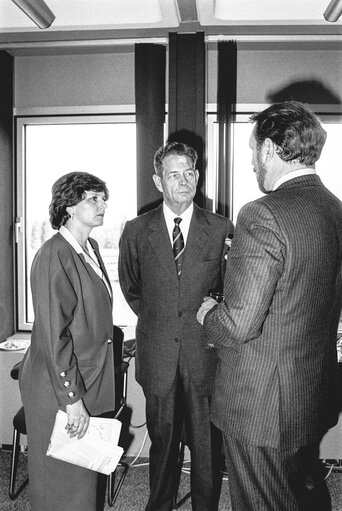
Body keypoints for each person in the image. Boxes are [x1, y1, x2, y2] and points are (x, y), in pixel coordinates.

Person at [197, 101, 342, 511]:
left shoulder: (262, 214)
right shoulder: (335, 210)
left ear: (270, 149)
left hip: (262, 406)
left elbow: (239, 325)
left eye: (251, 150)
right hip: (311, 394)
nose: (250, 162)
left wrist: (210, 314)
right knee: (303, 492)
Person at [119, 141, 234, 511]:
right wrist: (161, 317)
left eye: (189, 173)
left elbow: (229, 286)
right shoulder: (137, 230)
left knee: (206, 450)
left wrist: (214, 306)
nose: (182, 181)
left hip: (204, 358)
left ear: (197, 176)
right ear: (158, 181)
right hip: (159, 358)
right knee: (163, 445)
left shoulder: (220, 228)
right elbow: (132, 289)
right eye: (173, 174)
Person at [19, 172, 115, 511]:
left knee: (82, 479)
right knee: (60, 483)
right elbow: (53, 334)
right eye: (93, 198)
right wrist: (72, 399)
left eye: (103, 197)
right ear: (69, 207)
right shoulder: (53, 254)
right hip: (58, 388)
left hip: (84, 377)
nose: (103, 204)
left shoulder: (88, 247)